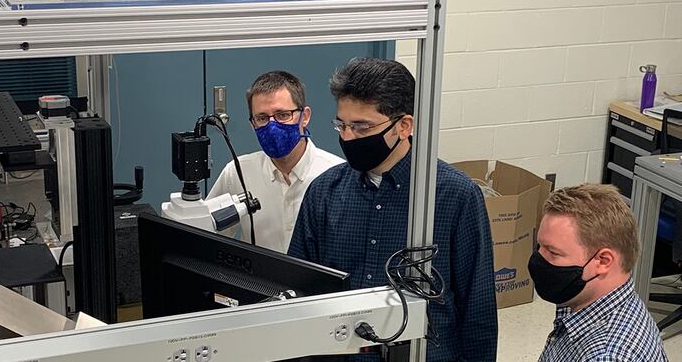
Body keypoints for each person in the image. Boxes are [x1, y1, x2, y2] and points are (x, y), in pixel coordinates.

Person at [288, 58, 498, 362]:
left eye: (361, 127)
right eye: (342, 124)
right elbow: (300, 292)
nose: (347, 137)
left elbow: (477, 310)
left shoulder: (454, 196)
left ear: (404, 125)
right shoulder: (324, 192)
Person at [208, 71, 344, 253]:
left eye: (282, 115)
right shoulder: (238, 173)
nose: (272, 126)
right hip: (257, 280)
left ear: (305, 117)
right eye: (262, 118)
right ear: (252, 124)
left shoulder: (338, 176)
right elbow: (207, 237)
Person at [530, 183, 668, 362]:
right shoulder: (582, 304)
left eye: (553, 252)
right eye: (540, 246)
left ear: (603, 261)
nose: (538, 259)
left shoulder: (608, 356)